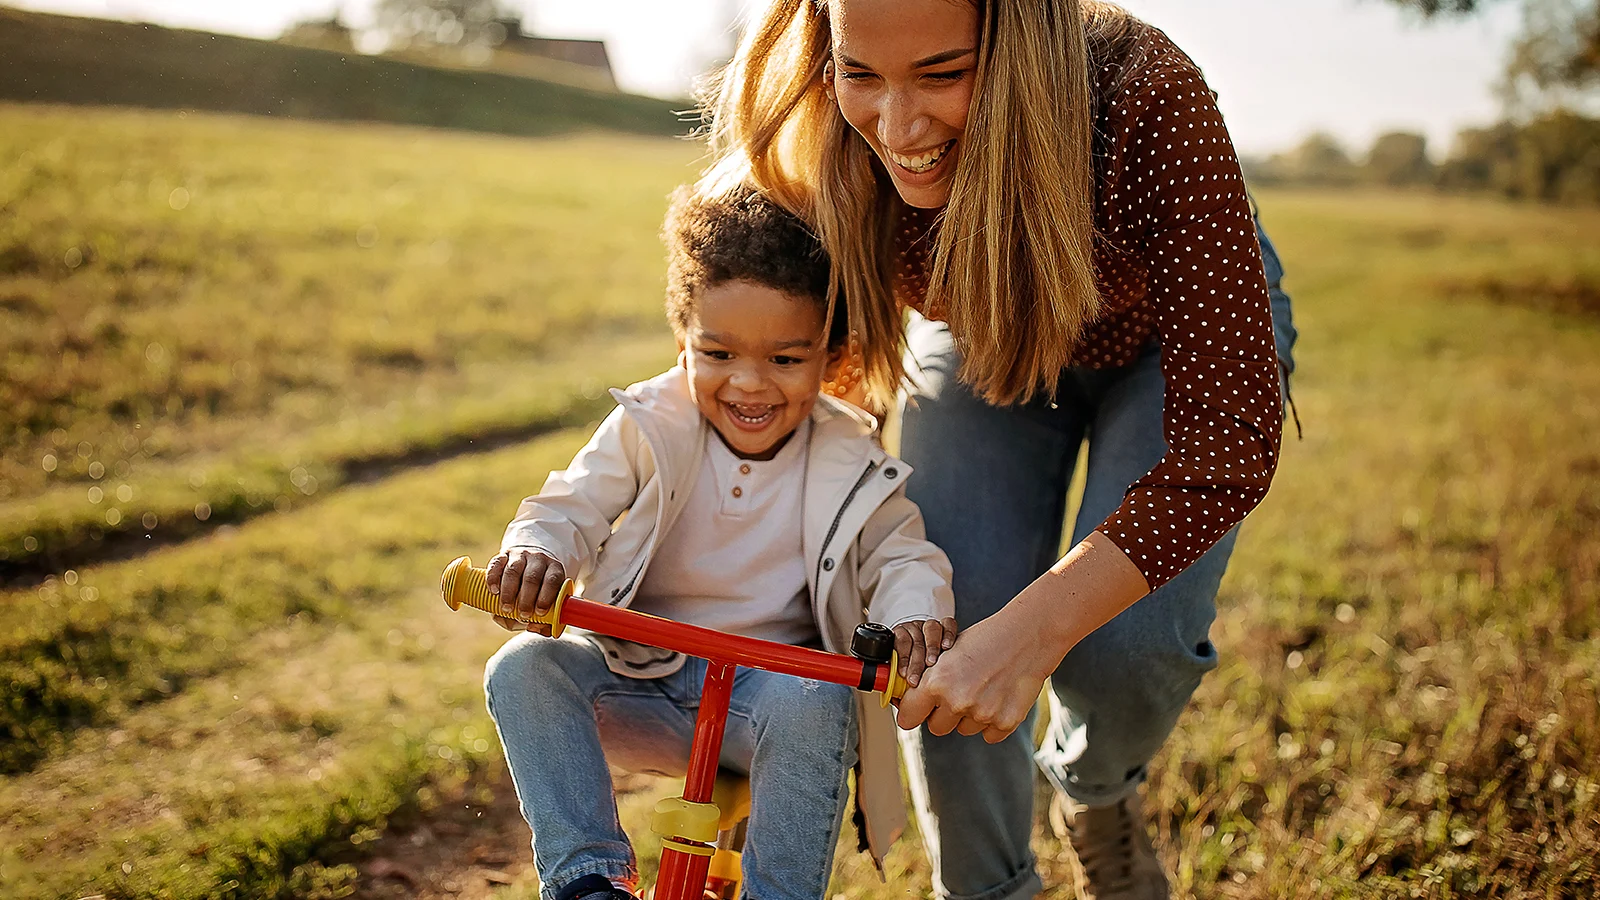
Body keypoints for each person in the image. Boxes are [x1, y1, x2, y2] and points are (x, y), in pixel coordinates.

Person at [698, 1, 1298, 898]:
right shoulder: (821, 140)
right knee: (935, 626)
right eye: (861, 74)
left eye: (943, 74)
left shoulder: (1148, 96)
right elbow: (803, 392)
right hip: (982, 330)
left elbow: (1225, 445)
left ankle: (1096, 792)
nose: (898, 128)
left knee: (1123, 647)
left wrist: (1031, 634)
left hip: (1162, 340)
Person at [479, 185, 958, 900]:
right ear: (683, 342)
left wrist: (914, 614)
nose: (749, 384)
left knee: (818, 699)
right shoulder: (650, 424)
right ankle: (587, 878)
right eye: (719, 352)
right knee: (524, 666)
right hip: (635, 678)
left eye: (785, 360)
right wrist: (538, 552)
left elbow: (901, 557)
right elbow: (571, 505)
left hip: (769, 705)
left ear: (830, 359)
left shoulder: (851, 460)